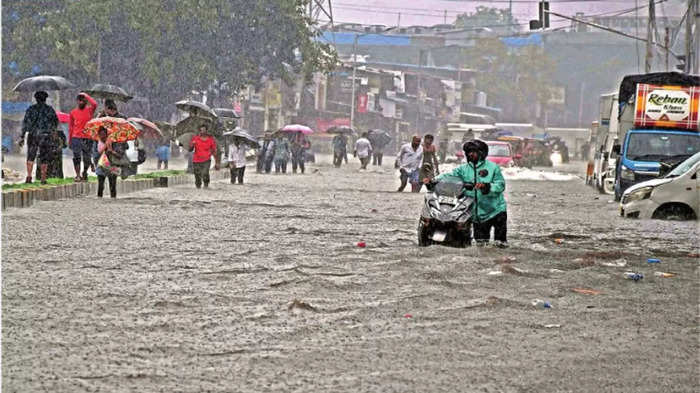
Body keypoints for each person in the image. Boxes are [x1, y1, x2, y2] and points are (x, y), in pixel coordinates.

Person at [433, 139, 507, 246]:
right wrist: (433, 180)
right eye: (468, 152)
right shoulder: (463, 169)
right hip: (478, 215)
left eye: (473, 151)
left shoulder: (493, 167)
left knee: (500, 245)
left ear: (482, 153)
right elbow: (448, 175)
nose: (470, 154)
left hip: (496, 211)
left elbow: (500, 185)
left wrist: (487, 186)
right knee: (481, 246)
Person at [19, 91, 59, 184]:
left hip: (33, 135)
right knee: (44, 157)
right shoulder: (50, 110)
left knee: (30, 155)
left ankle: (29, 177)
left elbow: (25, 123)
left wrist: (22, 136)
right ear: (45, 99)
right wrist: (53, 132)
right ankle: (43, 178)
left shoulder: (31, 109)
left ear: (36, 99)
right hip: (45, 136)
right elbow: (55, 122)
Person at [69, 92, 97, 182]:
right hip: (76, 137)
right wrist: (70, 140)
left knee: (87, 158)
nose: (81, 102)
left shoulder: (90, 110)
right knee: (76, 156)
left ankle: (84, 171)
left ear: (86, 101)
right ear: (77, 101)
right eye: (79, 100)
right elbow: (71, 127)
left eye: (83, 100)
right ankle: (77, 175)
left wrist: (86, 95)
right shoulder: (73, 112)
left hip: (88, 137)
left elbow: (94, 104)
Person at [93, 126, 124, 198]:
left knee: (112, 186)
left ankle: (113, 198)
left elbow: (120, 155)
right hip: (101, 166)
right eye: (100, 134)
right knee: (100, 185)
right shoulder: (97, 143)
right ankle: (99, 198)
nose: (102, 136)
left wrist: (112, 151)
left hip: (112, 166)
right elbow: (96, 155)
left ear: (107, 134)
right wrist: (105, 147)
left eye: (104, 134)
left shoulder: (115, 142)